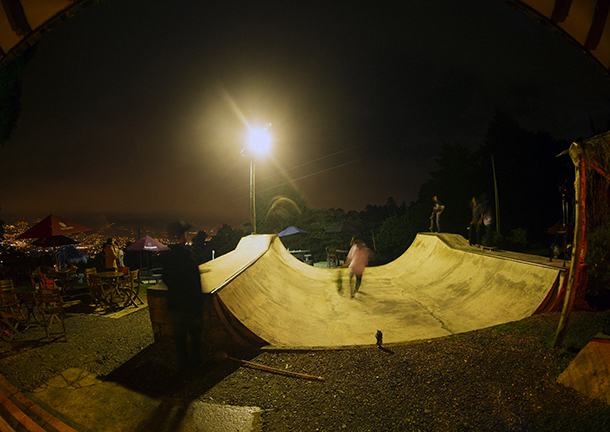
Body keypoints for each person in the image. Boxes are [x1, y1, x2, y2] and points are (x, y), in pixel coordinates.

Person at [162, 221, 204, 372]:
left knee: (180, 339)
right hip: (190, 306)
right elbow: (194, 284)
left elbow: (165, 278)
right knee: (195, 336)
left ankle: (183, 365)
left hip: (175, 304)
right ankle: (195, 365)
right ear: (181, 236)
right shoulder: (188, 257)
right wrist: (198, 307)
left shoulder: (168, 257)